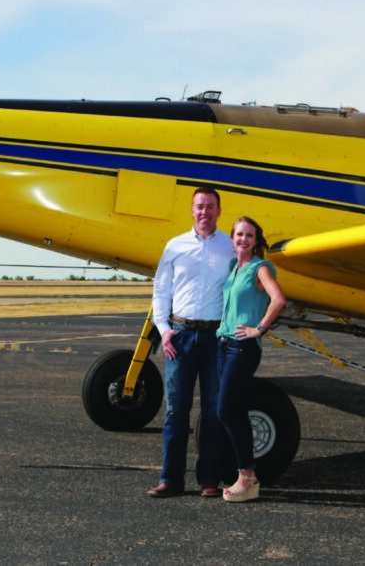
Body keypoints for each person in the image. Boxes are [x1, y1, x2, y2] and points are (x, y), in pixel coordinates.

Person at [147, 187, 235, 498]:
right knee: (176, 411)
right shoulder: (175, 246)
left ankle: (208, 480)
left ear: (219, 212)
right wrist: (164, 328)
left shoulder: (231, 247)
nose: (205, 212)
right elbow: (161, 291)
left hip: (215, 338)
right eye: (200, 206)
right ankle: (170, 480)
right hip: (180, 337)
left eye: (210, 206)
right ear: (191, 210)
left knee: (213, 411)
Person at [215, 216, 285, 503]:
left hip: (243, 347)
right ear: (233, 239)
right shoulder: (234, 268)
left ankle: (247, 475)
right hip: (223, 344)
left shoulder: (260, 268)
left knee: (226, 411)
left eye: (249, 235)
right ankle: (249, 478)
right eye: (239, 234)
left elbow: (278, 299)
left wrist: (260, 328)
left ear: (256, 241)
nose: (243, 239)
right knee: (236, 410)